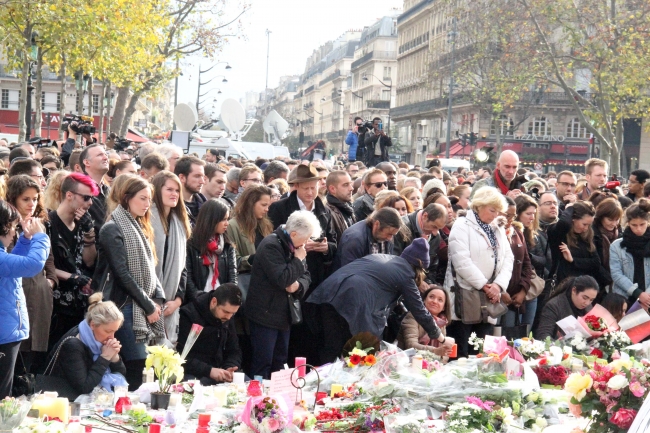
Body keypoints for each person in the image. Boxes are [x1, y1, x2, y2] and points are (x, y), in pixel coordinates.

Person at [309, 238, 452, 363]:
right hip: (351, 306)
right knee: (346, 353)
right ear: (420, 267)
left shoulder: (381, 258)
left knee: (329, 348)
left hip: (328, 295)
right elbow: (419, 310)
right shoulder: (405, 274)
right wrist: (442, 339)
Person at [92, 176, 165, 390]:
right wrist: (148, 304)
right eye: (142, 198)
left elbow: (151, 270)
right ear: (126, 198)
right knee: (137, 365)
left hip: (140, 304)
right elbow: (122, 273)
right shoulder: (112, 228)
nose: (146, 204)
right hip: (124, 305)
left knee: (145, 367)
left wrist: (157, 299)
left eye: (149, 199)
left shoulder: (140, 227)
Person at [444, 187, 514, 358]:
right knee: (460, 352)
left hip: (489, 299)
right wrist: (485, 286)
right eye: (492, 210)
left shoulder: (496, 228)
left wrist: (498, 285)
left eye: (498, 211)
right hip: (464, 296)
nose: (495, 214)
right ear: (479, 206)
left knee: (481, 352)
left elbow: (508, 258)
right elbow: (461, 261)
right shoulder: (461, 225)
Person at [246, 211, 315, 379]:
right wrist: (297, 261)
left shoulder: (296, 247)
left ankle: (276, 399)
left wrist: (298, 286)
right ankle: (257, 398)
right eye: (305, 239)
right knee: (263, 362)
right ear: (293, 234)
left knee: (280, 361)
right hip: (265, 314)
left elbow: (306, 276)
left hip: (284, 315)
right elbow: (282, 279)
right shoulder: (272, 245)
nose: (307, 243)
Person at [6, 176, 58, 373]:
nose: (31, 204)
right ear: (13, 199)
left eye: (35, 199)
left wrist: (50, 281)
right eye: (25, 199)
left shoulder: (39, 223)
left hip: (39, 291)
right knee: (16, 354)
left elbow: (49, 258)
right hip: (16, 292)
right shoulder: (7, 225)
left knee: (34, 352)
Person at [0, 202, 49, 399]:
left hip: (8, 334)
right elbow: (32, 265)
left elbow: (13, 267)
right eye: (12, 227)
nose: (14, 233)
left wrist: (27, 240)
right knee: (2, 395)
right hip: (4, 337)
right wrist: (40, 237)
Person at [49, 173, 99, 350]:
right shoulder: (48, 222)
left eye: (92, 198)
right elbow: (42, 267)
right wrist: (73, 277)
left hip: (78, 303)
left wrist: (88, 232)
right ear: (69, 195)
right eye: (86, 198)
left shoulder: (82, 223)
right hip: (54, 302)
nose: (90, 203)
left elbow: (89, 260)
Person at [50, 293, 127, 399]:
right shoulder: (73, 345)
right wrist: (105, 358)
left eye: (114, 331)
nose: (112, 337)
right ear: (93, 325)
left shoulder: (98, 339)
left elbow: (120, 374)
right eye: (108, 331)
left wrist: (114, 358)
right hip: (64, 401)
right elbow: (84, 387)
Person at [150, 172, 191, 344]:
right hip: (148, 303)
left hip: (171, 304)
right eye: (169, 189)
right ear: (157, 190)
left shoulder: (180, 222)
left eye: (177, 190)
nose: (174, 194)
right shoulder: (147, 219)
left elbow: (183, 268)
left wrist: (178, 301)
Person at [176, 284, 242, 385]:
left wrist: (230, 367)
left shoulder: (227, 317)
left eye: (233, 314)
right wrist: (209, 370)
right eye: (226, 312)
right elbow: (181, 356)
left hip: (220, 372)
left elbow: (234, 350)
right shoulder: (189, 315)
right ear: (214, 302)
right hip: (193, 374)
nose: (229, 317)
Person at [547, 201, 609, 290]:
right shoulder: (559, 233)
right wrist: (570, 207)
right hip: (563, 286)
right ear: (573, 219)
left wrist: (573, 260)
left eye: (589, 225)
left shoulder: (588, 235)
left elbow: (596, 262)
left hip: (584, 286)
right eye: (584, 224)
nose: (586, 228)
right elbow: (564, 223)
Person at [185, 199, 237, 303]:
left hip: (221, 302)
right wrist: (200, 299)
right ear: (211, 219)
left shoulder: (227, 245)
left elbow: (233, 277)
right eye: (223, 219)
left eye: (228, 219)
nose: (227, 223)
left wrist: (225, 299)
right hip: (198, 302)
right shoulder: (191, 244)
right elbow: (187, 277)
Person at [610, 199, 650, 308]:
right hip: (623, 298)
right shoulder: (616, 246)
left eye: (642, 224)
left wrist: (647, 296)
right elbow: (616, 274)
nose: (638, 229)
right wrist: (638, 293)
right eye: (634, 225)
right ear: (628, 223)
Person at [333, 208, 401, 271]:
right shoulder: (355, 239)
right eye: (389, 234)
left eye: (393, 235)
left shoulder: (385, 235)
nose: (390, 239)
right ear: (377, 225)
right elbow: (349, 272)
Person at [533, 276, 598, 340]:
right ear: (574, 290)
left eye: (591, 300)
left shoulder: (588, 308)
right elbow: (543, 335)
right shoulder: (554, 306)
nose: (587, 303)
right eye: (585, 298)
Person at [501, 197, 533, 328]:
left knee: (510, 338)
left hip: (514, 296)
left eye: (513, 216)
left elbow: (526, 263)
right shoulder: (491, 233)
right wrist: (501, 291)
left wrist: (523, 291)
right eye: (507, 215)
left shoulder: (517, 232)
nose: (510, 220)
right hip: (496, 295)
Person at [398, 285, 452, 356]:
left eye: (440, 300)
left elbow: (444, 353)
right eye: (431, 297)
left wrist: (443, 354)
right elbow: (411, 346)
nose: (435, 301)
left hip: (432, 363)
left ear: (444, 307)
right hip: (407, 361)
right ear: (424, 300)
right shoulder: (412, 316)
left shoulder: (442, 322)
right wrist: (435, 351)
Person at [79, 144, 110, 238]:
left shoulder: (109, 190)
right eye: (100, 155)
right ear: (87, 162)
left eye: (106, 154)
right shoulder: (79, 190)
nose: (105, 158)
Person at [592, 198, 622, 288]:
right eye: (610, 219)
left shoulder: (620, 233)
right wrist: (610, 280)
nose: (613, 224)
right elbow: (594, 264)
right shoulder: (593, 234)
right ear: (601, 217)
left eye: (617, 220)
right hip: (598, 282)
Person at [175, 156, 206, 226]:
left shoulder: (204, 204)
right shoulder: (172, 205)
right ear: (182, 177)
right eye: (197, 176)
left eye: (203, 177)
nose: (202, 181)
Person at [325, 171, 356, 241]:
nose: (351, 188)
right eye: (345, 185)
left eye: (350, 184)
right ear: (332, 189)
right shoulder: (328, 213)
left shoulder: (348, 207)